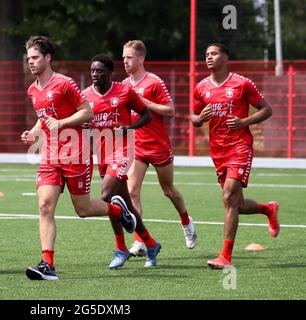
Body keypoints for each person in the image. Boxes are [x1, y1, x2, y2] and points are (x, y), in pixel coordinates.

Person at [21, 36, 137, 281]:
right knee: (44, 206)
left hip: (76, 154)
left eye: (35, 57)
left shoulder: (64, 84)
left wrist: (61, 123)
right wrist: (33, 132)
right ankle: (48, 264)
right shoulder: (32, 90)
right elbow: (44, 117)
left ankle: (117, 210)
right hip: (50, 156)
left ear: (48, 58)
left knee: (83, 210)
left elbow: (87, 112)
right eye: (29, 58)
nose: (31, 62)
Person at [191, 43, 280, 269]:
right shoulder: (201, 87)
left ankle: (225, 257)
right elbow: (193, 117)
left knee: (229, 196)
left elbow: (266, 109)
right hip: (217, 151)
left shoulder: (241, 83)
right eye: (206, 55)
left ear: (226, 57)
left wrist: (244, 122)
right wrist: (199, 118)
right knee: (236, 204)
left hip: (239, 147)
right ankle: (268, 209)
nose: (209, 58)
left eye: (214, 54)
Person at [82, 53, 161, 269]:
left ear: (109, 72)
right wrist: (85, 128)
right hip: (103, 153)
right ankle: (151, 245)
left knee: (106, 196)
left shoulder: (125, 91)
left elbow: (146, 115)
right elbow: (82, 122)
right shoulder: (85, 95)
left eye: (99, 71)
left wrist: (129, 128)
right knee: (123, 203)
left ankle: (120, 248)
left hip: (124, 150)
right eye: (92, 71)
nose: (95, 74)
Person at [122, 40, 197, 256]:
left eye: (129, 57)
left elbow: (171, 110)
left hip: (158, 145)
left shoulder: (154, 82)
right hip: (136, 146)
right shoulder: (124, 85)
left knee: (169, 190)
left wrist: (146, 103)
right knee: (132, 191)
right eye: (124, 57)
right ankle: (140, 241)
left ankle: (186, 222)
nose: (125, 61)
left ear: (141, 59)